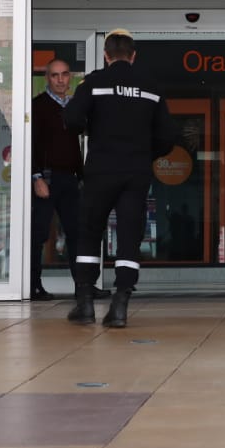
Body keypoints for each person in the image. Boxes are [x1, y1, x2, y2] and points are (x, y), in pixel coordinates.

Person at [64, 30, 174, 328]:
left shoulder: (94, 83)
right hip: (135, 171)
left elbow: (72, 120)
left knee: (89, 231)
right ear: (133, 55)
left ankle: (85, 303)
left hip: (100, 168)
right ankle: (121, 304)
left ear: (106, 55)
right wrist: (143, 153)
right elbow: (167, 137)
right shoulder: (150, 87)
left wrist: (92, 129)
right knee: (129, 234)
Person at [30, 58, 84, 301]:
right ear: (47, 79)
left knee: (77, 234)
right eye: (55, 75)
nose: (60, 80)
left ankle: (83, 287)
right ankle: (32, 286)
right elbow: (29, 145)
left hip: (71, 180)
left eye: (64, 75)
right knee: (38, 234)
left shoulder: (74, 107)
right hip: (47, 179)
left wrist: (83, 178)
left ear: (70, 77)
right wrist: (36, 177)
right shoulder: (38, 106)